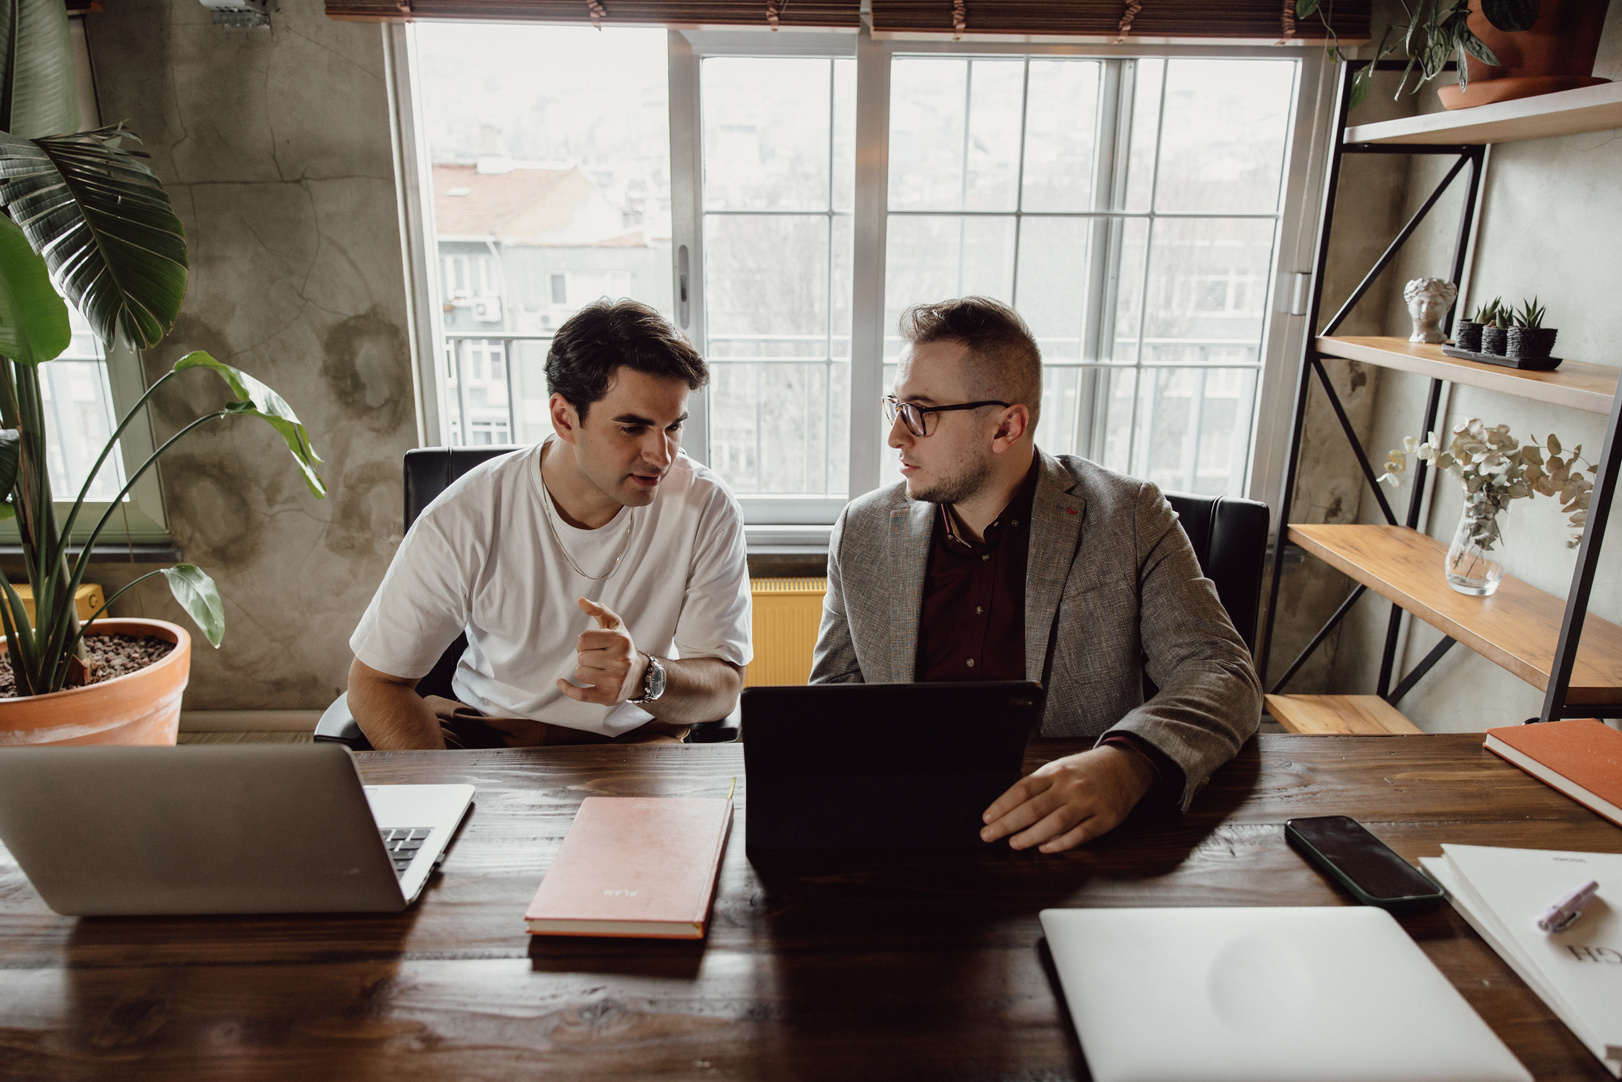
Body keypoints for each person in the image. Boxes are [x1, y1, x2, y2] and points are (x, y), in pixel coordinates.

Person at [811, 297, 1261, 852]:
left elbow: (1221, 671)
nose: (896, 438)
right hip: (907, 833)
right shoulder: (861, 530)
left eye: (920, 412)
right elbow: (831, 698)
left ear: (1007, 426)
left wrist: (1130, 763)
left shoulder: (1129, 516)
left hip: (1079, 844)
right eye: (896, 407)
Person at [348, 300, 751, 750]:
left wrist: (644, 675)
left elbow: (722, 684)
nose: (662, 456)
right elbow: (376, 682)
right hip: (487, 736)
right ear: (564, 418)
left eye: (673, 427)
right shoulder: (466, 513)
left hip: (636, 743)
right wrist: (447, 794)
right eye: (632, 427)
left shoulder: (706, 506)